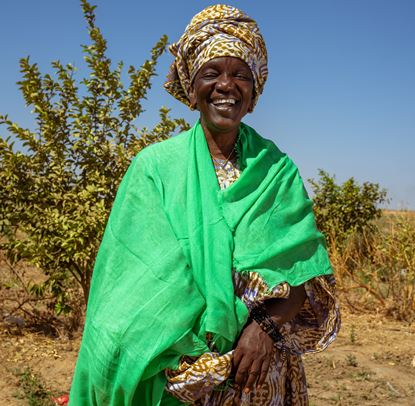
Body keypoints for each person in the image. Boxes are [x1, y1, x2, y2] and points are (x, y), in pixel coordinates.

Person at [70, 4, 340, 405]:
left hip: (257, 375)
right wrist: (190, 351)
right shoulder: (155, 168)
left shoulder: (277, 170)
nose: (226, 85)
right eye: (211, 73)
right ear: (191, 87)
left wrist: (262, 329)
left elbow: (304, 278)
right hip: (177, 372)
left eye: (241, 75)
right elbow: (129, 287)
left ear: (254, 92)